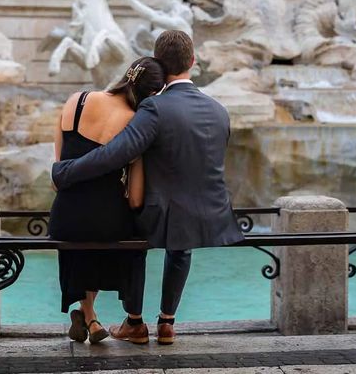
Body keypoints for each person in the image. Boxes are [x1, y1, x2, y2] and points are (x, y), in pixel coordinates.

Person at [52, 30, 242, 345]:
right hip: (209, 212)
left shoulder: (154, 109)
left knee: (134, 235)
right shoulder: (218, 110)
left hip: (157, 211)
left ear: (158, 63)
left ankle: (135, 322)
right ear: (192, 62)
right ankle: (167, 323)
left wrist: (65, 172)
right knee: (179, 247)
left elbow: (114, 154)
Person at [48, 56, 166, 345]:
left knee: (79, 226)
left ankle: (88, 315)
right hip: (107, 221)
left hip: (65, 216)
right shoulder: (134, 124)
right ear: (151, 95)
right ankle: (113, 317)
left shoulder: (76, 100)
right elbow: (136, 198)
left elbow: (58, 171)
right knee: (114, 228)